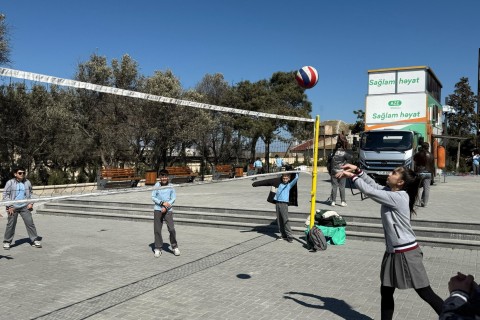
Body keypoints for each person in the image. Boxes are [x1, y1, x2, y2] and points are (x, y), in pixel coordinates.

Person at [336, 164, 444, 319]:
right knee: (386, 291)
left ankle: (452, 315)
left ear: (400, 182)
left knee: (424, 291)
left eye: (393, 173)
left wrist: (352, 177)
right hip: (392, 251)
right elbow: (373, 185)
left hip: (407, 252)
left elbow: (369, 191)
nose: (389, 174)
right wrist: (358, 171)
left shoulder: (399, 197)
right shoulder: (390, 192)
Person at [252, 167, 299, 242]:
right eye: (284, 178)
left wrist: (296, 171)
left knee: (285, 220)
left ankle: (289, 236)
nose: (285, 179)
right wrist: (255, 184)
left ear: (289, 179)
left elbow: (296, 178)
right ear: (282, 178)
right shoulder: (278, 183)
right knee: (280, 220)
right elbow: (266, 182)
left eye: (286, 178)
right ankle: (283, 235)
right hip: (277, 203)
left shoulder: (289, 185)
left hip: (284, 204)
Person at [3, 167, 42, 249]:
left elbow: (31, 194)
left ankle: (34, 239)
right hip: (13, 207)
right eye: (20, 173)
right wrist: (9, 206)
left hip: (24, 206)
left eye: (23, 173)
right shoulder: (10, 183)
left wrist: (31, 203)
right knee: (11, 225)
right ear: (15, 174)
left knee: (30, 223)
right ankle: (7, 241)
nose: (22, 174)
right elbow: (5, 196)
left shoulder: (27, 182)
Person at [151, 169, 179, 257]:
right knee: (157, 229)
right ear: (160, 177)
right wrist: (162, 203)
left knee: (171, 229)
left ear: (168, 177)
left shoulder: (171, 186)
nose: (163, 178)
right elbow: (153, 197)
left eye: (165, 176)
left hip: (168, 210)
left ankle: (174, 247)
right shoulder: (157, 185)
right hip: (158, 209)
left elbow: (173, 198)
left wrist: (166, 206)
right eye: (162, 176)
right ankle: (158, 248)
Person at [328, 141, 352, 207]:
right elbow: (351, 158)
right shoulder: (344, 153)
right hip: (342, 172)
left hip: (334, 172)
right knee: (342, 187)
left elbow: (328, 163)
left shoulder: (332, 153)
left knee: (334, 187)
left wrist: (330, 172)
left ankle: (333, 201)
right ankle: (343, 202)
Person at [414, 142, 435, 207]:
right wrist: (432, 176)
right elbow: (433, 166)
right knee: (426, 188)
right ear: (428, 147)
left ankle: (413, 201)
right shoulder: (431, 155)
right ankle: (424, 203)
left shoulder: (419, 154)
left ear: (422, 147)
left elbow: (414, 159)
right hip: (428, 173)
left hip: (420, 172)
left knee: (416, 187)